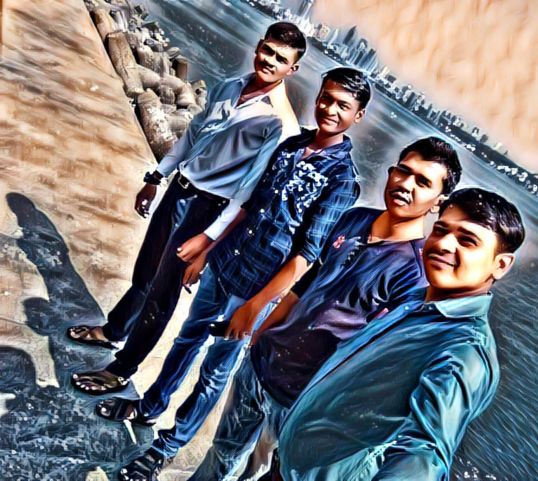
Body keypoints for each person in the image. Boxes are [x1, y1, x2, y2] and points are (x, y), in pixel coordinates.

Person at [104, 68, 372, 481]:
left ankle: (165, 448)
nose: (329, 109)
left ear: (358, 115)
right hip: (227, 263)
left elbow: (306, 254)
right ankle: (150, 406)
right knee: (186, 340)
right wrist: (207, 251)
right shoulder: (291, 145)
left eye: (343, 105)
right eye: (326, 98)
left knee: (214, 372)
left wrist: (256, 306)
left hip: (256, 289)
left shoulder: (342, 180)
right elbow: (248, 205)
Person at [184, 137, 463, 481]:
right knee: (221, 455)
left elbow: (375, 355)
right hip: (261, 367)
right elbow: (305, 285)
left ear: (439, 202)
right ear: (391, 172)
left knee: (259, 473)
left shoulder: (412, 274)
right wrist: (260, 335)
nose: (406, 185)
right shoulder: (354, 219)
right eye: (403, 172)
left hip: (302, 400)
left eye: (423, 182)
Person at [67, 22, 306, 393]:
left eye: (280, 59)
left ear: (292, 69)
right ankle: (114, 330)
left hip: (207, 209)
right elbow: (193, 134)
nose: (269, 61)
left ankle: (121, 369)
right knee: (145, 273)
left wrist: (208, 240)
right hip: (178, 190)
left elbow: (247, 192)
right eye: (267, 51)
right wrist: (156, 176)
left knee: (162, 295)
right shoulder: (230, 85)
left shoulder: (280, 124)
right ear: (259, 46)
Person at [276, 187, 525, 481]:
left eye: (467, 241)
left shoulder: (464, 351)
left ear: (500, 265)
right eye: (440, 230)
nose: (444, 244)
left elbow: (423, 456)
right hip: (291, 466)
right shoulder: (417, 303)